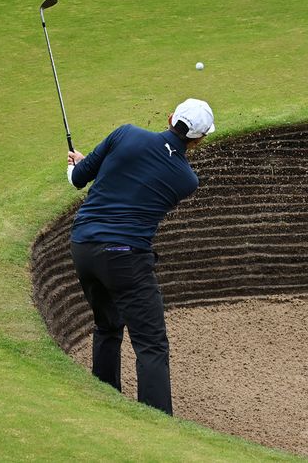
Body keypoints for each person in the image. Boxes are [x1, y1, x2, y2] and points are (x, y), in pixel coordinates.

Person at [66, 97, 215, 417]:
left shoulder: (126, 134)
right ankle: (156, 424)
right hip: (124, 259)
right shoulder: (187, 180)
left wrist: (76, 164)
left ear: (170, 117)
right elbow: (141, 181)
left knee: (107, 325)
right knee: (151, 344)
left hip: (83, 247)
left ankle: (104, 404)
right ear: (199, 139)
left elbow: (78, 179)